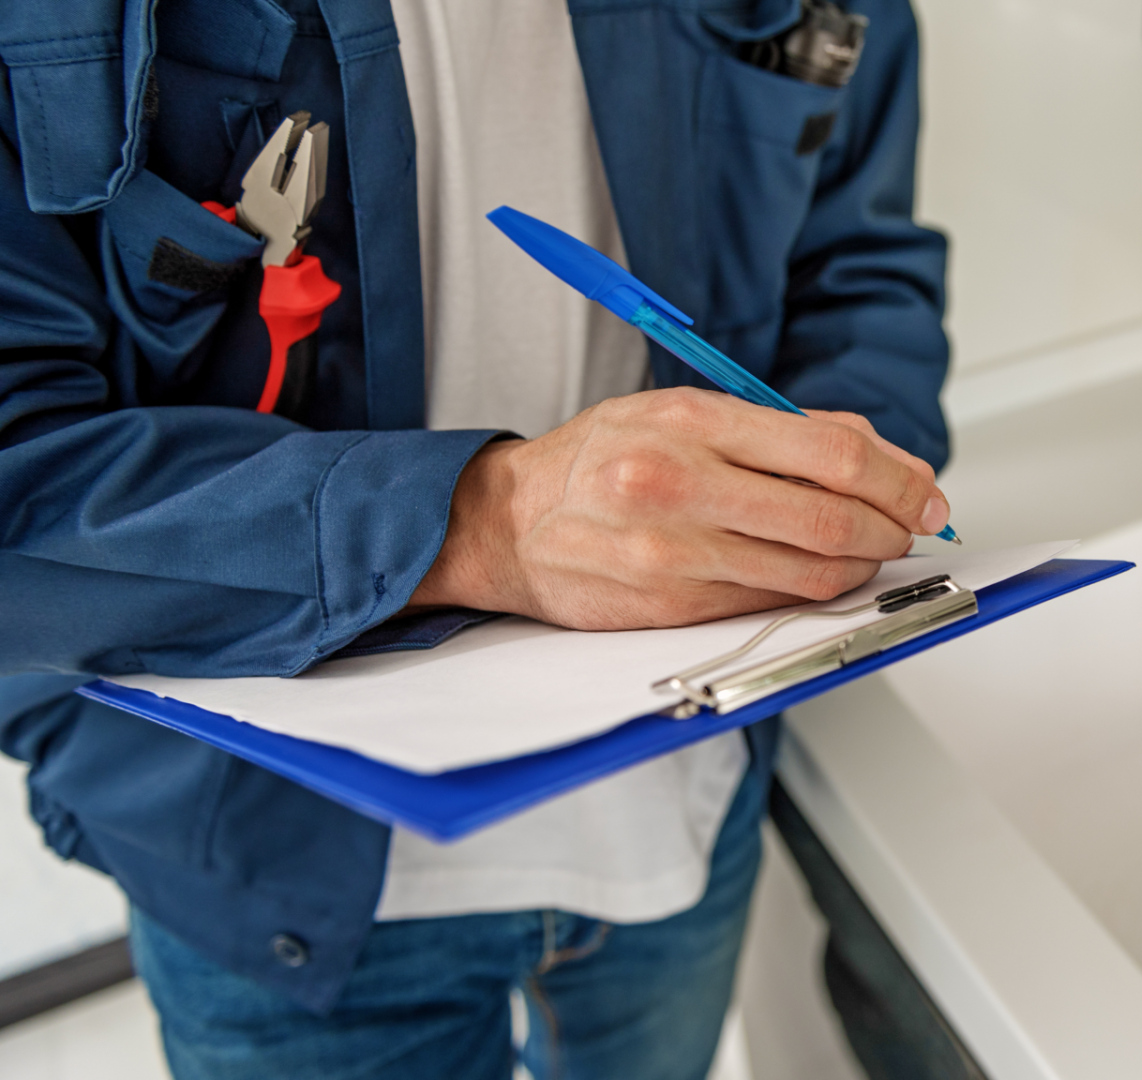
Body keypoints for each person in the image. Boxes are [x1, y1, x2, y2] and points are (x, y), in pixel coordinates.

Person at [0, 0, 952, 1076]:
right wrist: (483, 525)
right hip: (269, 866)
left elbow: (863, 267)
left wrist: (844, 488)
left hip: (684, 803)